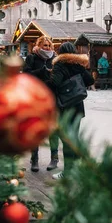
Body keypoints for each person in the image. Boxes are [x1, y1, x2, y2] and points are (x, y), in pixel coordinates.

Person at [47, 42, 95, 180]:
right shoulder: (78, 65)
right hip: (77, 107)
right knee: (74, 138)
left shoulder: (60, 65)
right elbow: (90, 80)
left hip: (64, 107)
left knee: (67, 140)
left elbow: (54, 84)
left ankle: (68, 172)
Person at [22, 36, 60, 172]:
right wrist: (41, 71)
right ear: (39, 45)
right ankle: (34, 159)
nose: (47, 48)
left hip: (51, 98)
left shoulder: (55, 59)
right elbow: (25, 75)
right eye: (44, 45)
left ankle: (54, 158)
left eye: (49, 45)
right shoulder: (31, 58)